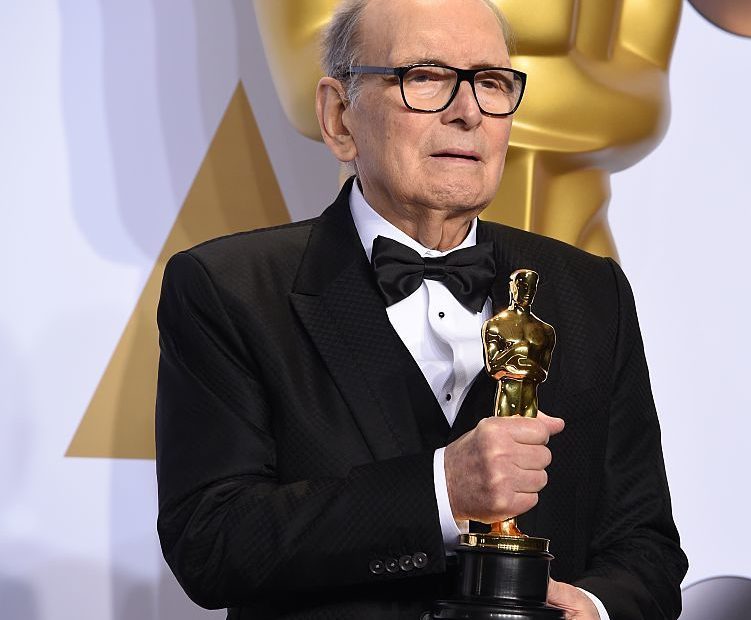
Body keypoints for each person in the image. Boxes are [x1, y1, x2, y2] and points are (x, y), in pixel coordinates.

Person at [155, 0, 687, 618]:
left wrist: (592, 607)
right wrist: (440, 490)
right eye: (425, 77)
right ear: (338, 116)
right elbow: (213, 543)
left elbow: (646, 547)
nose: (467, 113)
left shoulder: (592, 293)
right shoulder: (230, 288)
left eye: (490, 83)